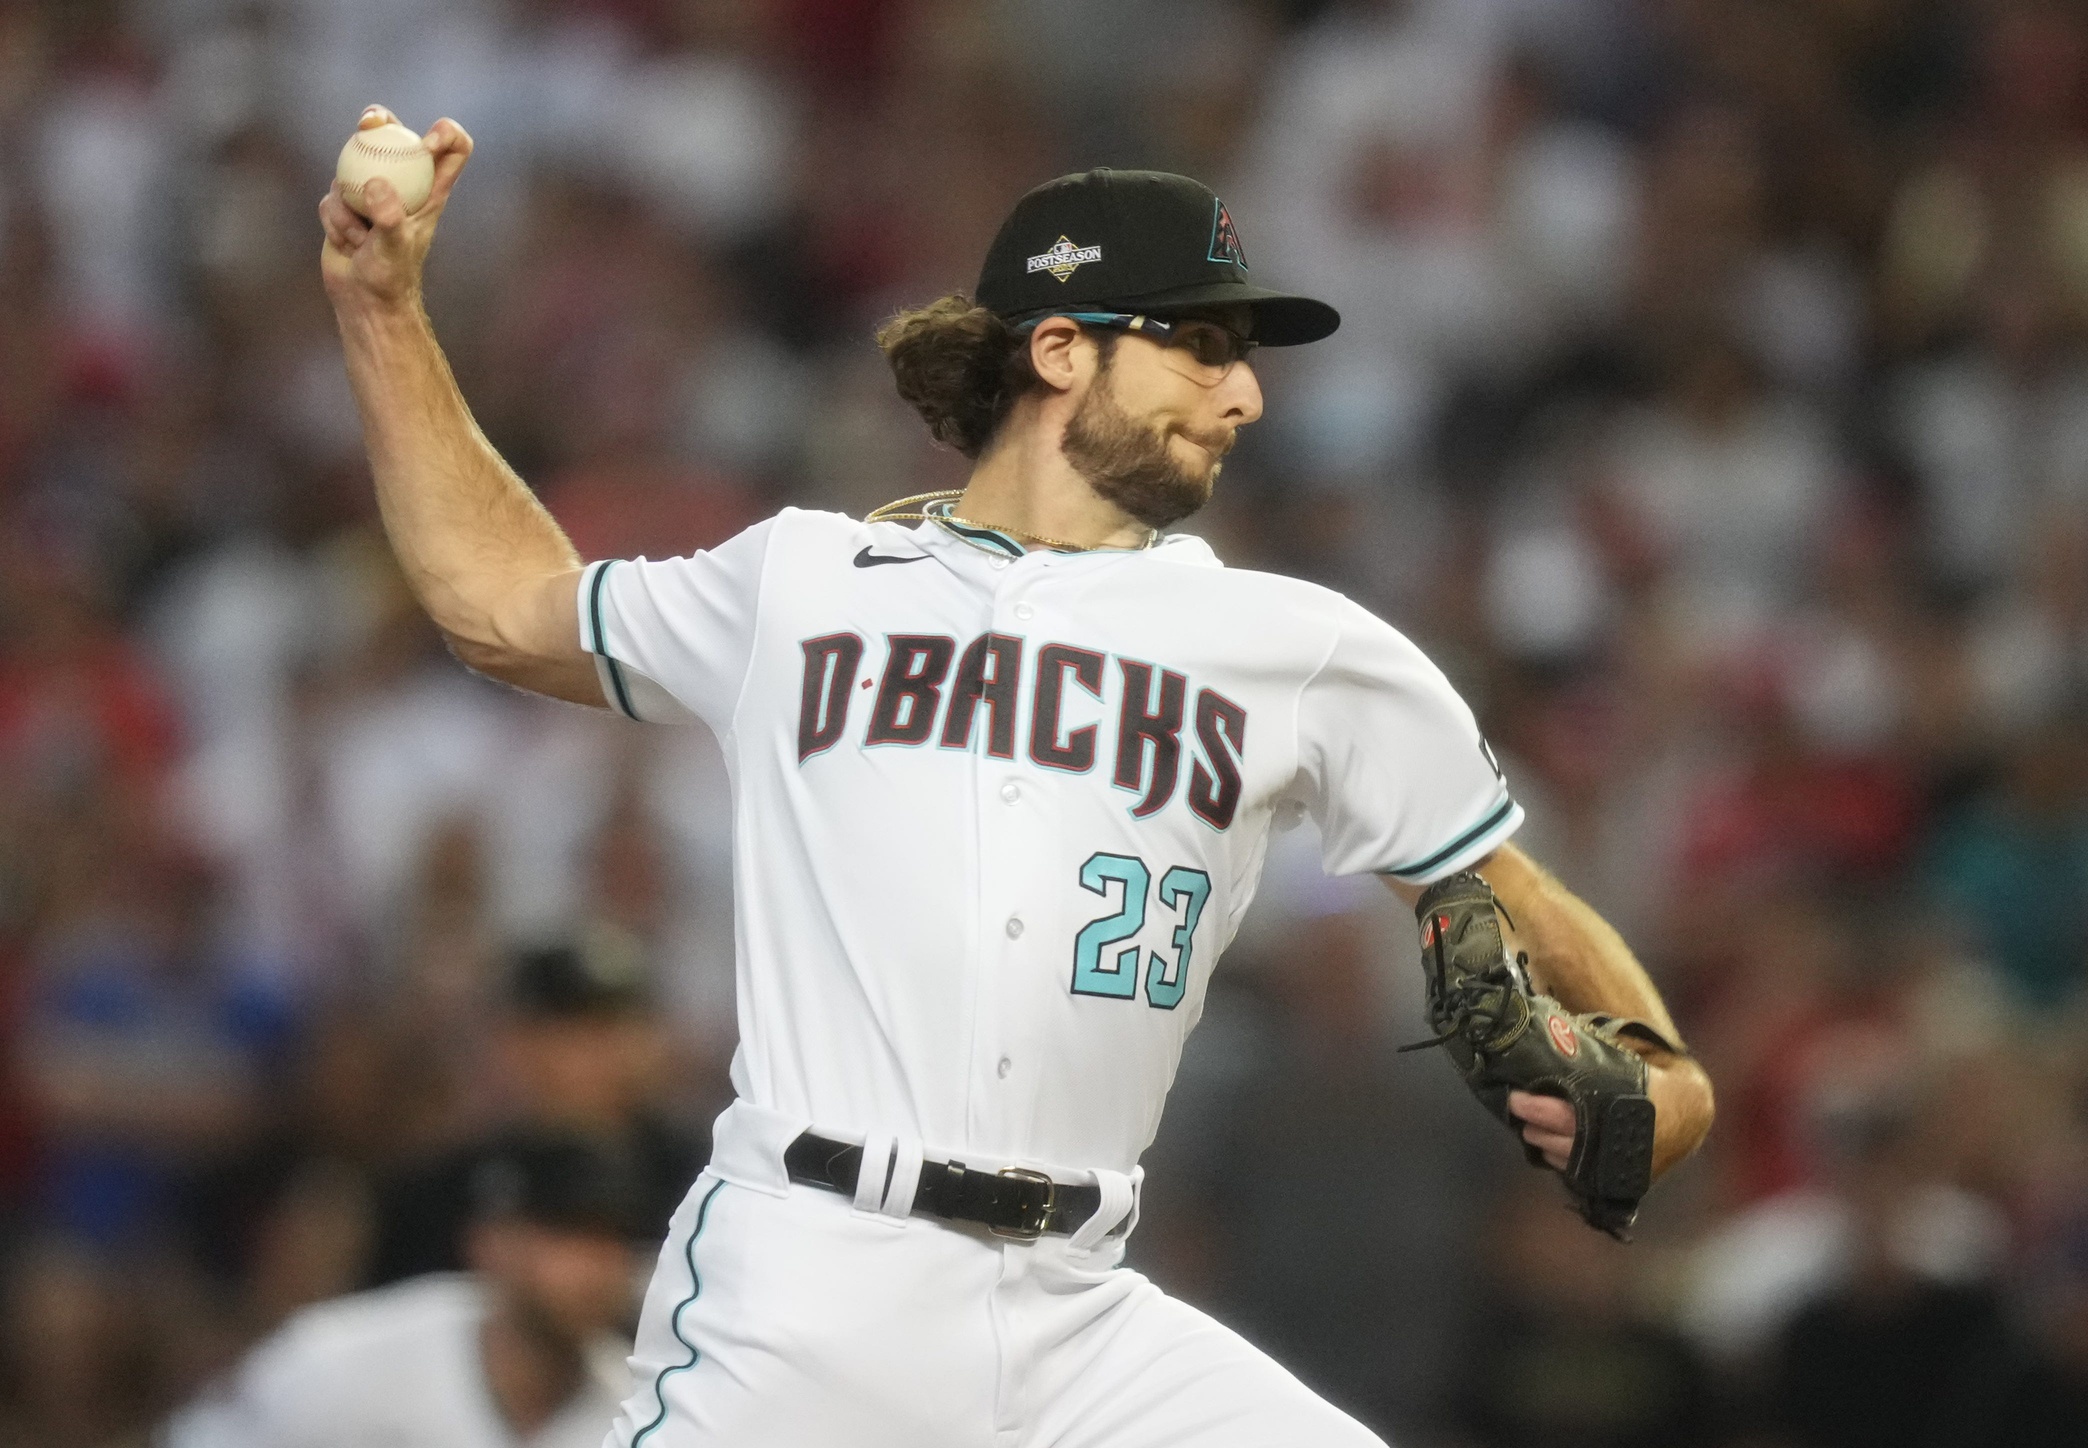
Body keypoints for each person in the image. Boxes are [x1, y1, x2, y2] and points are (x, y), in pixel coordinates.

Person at [317, 104, 1715, 1447]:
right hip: (814, 1274)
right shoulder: (806, 582)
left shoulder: (1302, 649)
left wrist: (1664, 1074)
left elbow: (1503, 886)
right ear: (1060, 349)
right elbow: (500, 607)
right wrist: (383, 313)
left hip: (1085, 1312)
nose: (1247, 391)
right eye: (1202, 343)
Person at [160, 1128, 641, 1448]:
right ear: (490, 1245)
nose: (593, 1267)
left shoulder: (644, 1412)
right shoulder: (342, 1359)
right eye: (565, 1237)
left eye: (611, 1241)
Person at [367, 933, 707, 1286]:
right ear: (513, 1044)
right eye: (572, 1031)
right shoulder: (438, 1197)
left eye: (617, 1027)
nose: (603, 1052)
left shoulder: (704, 1177)